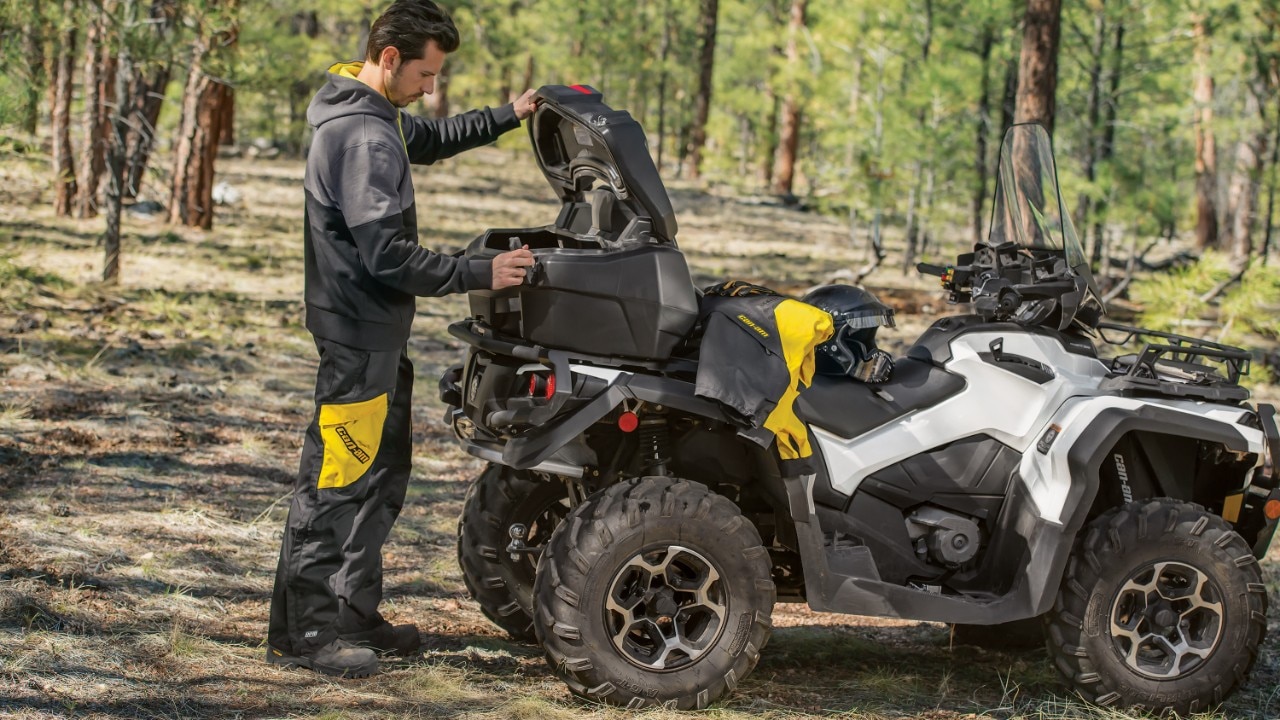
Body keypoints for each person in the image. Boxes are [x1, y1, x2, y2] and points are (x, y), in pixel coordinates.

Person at [266, 0, 536, 678]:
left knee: (379, 476)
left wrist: (510, 113)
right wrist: (481, 272)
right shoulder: (364, 138)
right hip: (359, 335)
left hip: (371, 331)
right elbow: (388, 255)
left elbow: (432, 139)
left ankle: (352, 610)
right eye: (425, 74)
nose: (430, 88)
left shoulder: (371, 115)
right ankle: (303, 636)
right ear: (390, 59)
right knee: (334, 482)